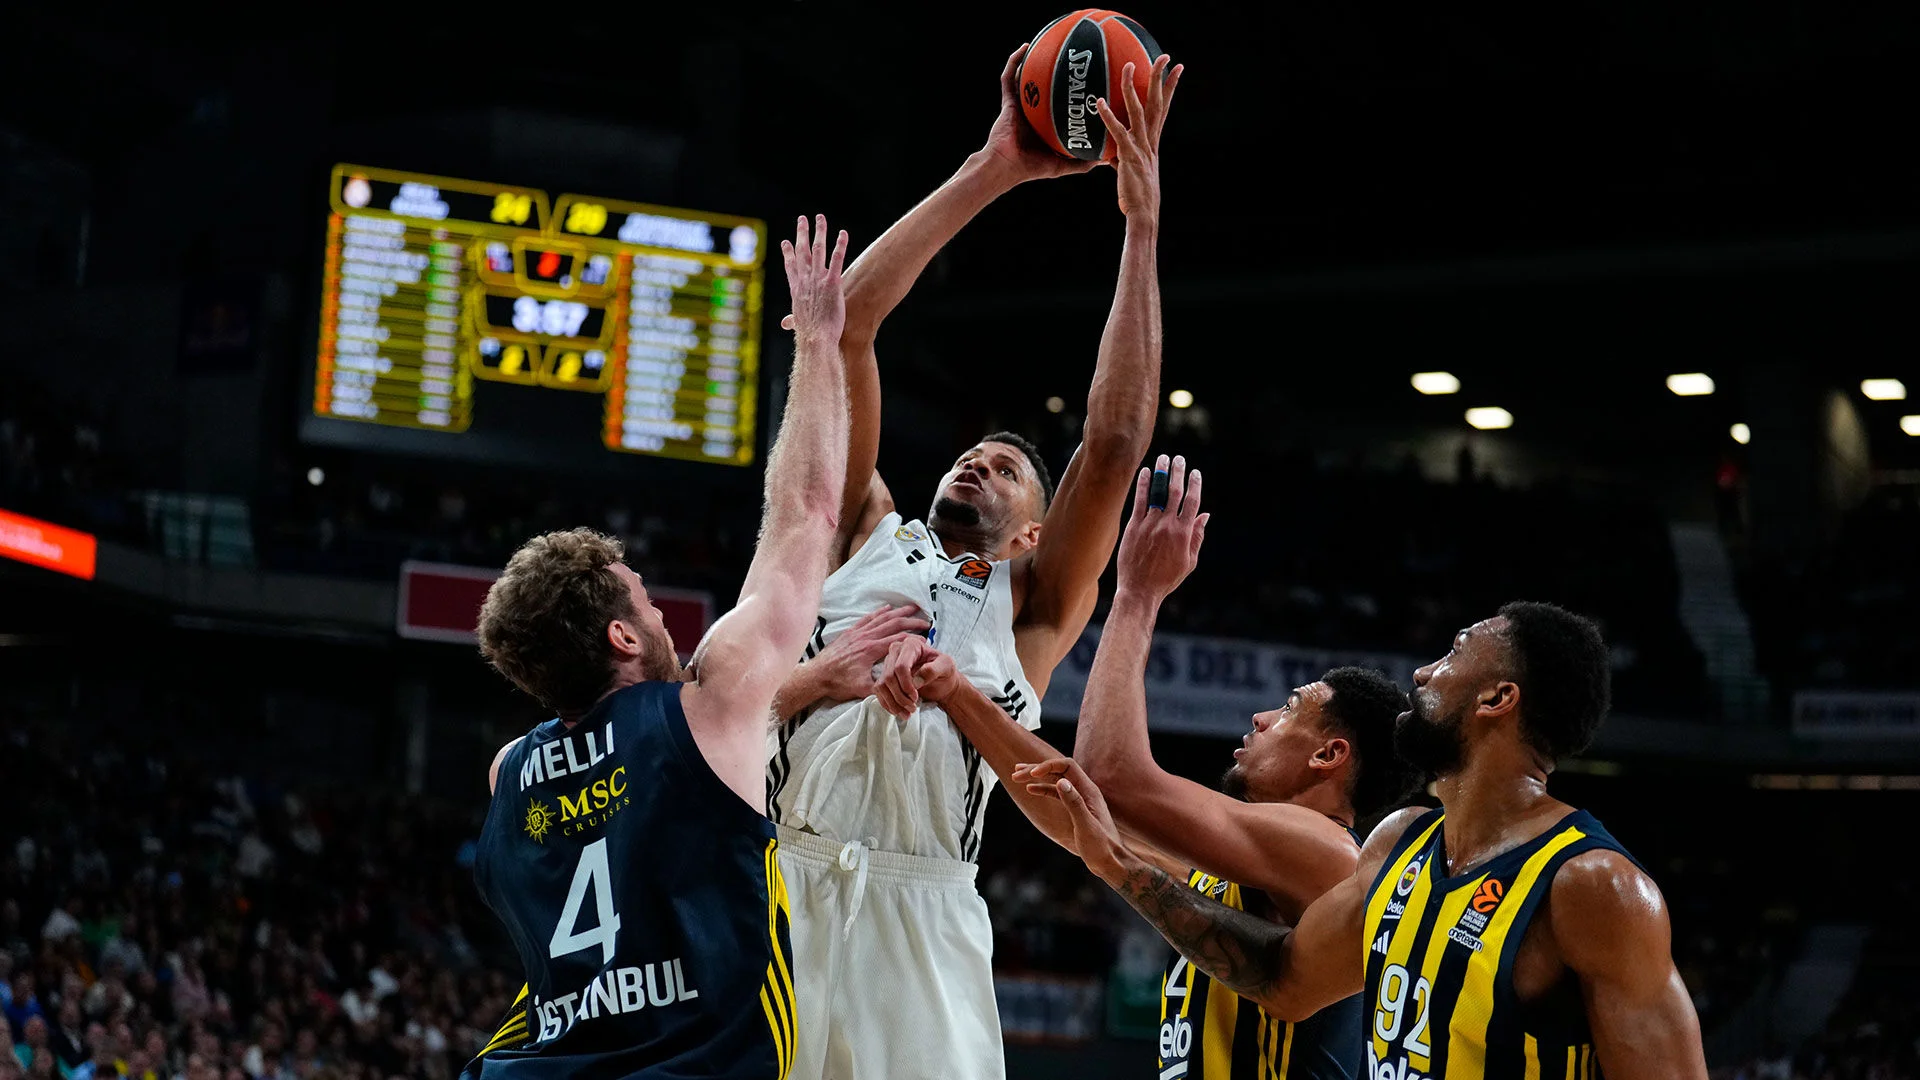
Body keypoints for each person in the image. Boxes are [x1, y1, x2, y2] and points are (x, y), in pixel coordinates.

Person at [760, 47, 1182, 1080]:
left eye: (1004, 471)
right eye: (970, 456)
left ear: (1034, 535)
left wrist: (1140, 228)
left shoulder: (1032, 615)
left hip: (929, 905)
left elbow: (1116, 443)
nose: (978, 465)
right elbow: (844, 326)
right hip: (785, 881)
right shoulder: (862, 531)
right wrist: (995, 165)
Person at [460, 214, 855, 1079]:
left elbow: (634, 797)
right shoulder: (710, 705)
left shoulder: (508, 776)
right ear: (621, 634)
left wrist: (805, 687)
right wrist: (822, 341)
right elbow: (809, 518)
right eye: (648, 601)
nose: (668, 618)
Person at [879, 455, 1416, 1080]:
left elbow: (1108, 776)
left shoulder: (1326, 852)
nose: (1264, 718)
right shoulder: (1242, 867)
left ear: (1329, 756)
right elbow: (1079, 814)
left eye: (1292, 709)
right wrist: (962, 695)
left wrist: (1137, 592)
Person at [1024, 601, 1711, 1079]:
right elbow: (1283, 981)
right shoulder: (1397, 845)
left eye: (1453, 654)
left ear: (1497, 700)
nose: (1421, 672)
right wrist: (1117, 866)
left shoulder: (1595, 887)